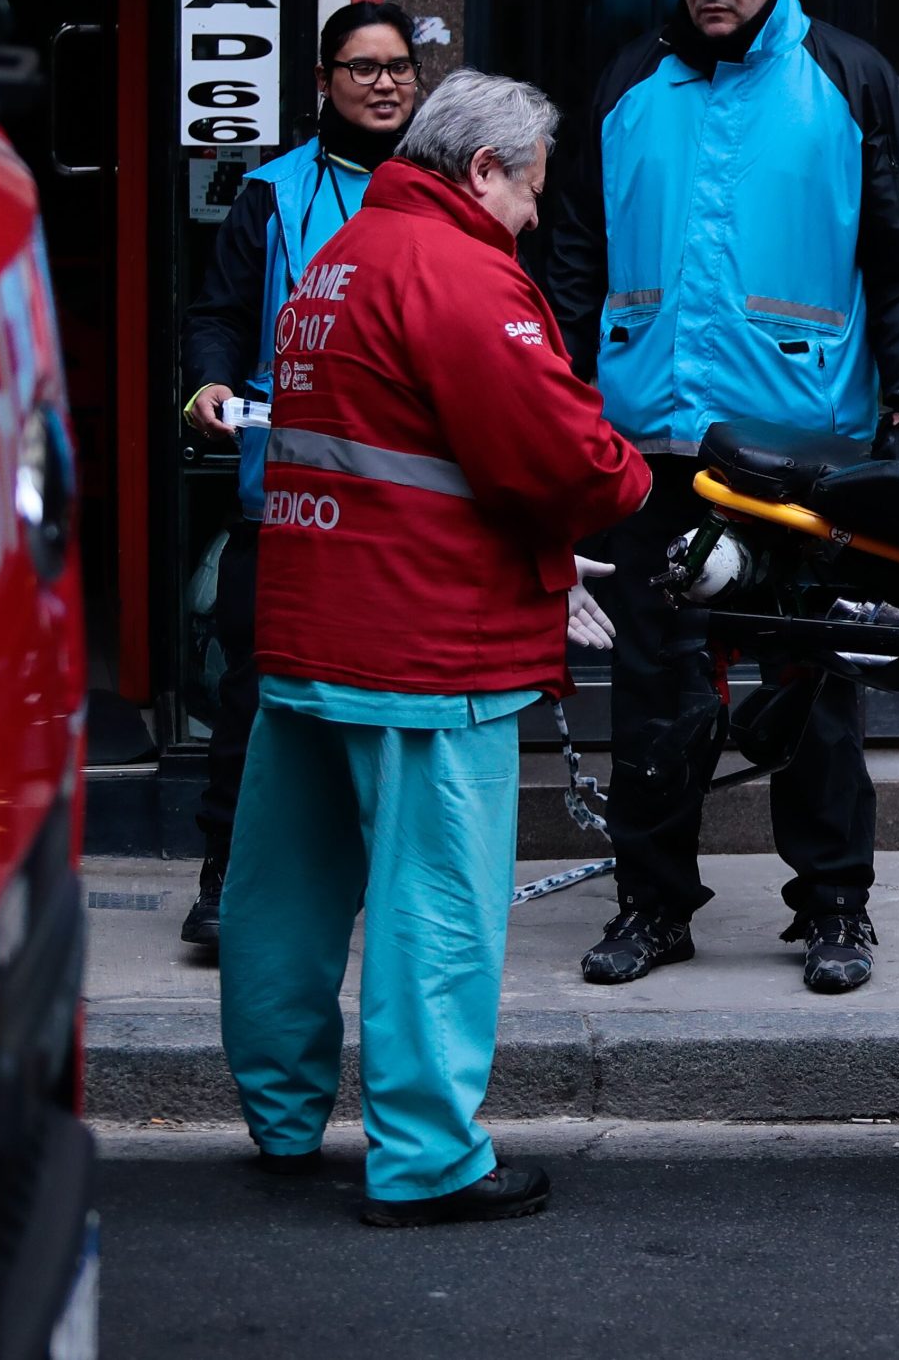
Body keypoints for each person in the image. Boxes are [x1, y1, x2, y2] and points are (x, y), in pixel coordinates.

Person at [217, 70, 650, 1225]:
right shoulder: (461, 272)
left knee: (285, 893)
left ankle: (280, 1113)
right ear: (481, 170)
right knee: (437, 909)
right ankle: (427, 1161)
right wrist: (634, 478)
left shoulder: (343, 256)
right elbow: (558, 458)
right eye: (529, 193)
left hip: (313, 624)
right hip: (425, 644)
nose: (533, 219)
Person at [544, 0, 899, 994]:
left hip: (802, 445)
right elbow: (575, 250)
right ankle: (652, 904)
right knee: (657, 681)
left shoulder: (848, 79)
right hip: (654, 440)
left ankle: (832, 905)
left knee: (811, 680)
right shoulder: (631, 81)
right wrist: (567, 394)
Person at [177, 1, 421, 949]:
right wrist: (206, 383)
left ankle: (389, 885)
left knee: (398, 694)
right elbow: (220, 316)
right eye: (361, 67)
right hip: (281, 490)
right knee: (254, 688)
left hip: (401, 493)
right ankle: (226, 878)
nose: (384, 82)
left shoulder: (448, 188)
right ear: (322, 83)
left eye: (398, 65)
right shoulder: (271, 194)